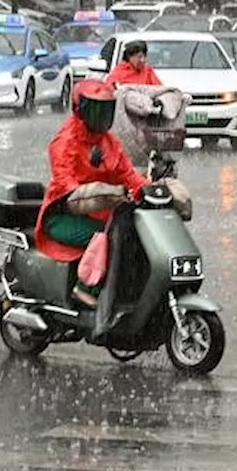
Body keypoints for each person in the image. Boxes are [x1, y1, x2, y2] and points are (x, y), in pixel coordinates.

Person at [36, 80, 148, 306]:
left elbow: (128, 175)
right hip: (63, 217)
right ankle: (85, 287)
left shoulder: (110, 143)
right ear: (80, 109)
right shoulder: (65, 142)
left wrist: (149, 188)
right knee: (108, 237)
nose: (101, 116)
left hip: (105, 214)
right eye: (95, 110)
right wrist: (94, 191)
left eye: (105, 110)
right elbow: (65, 183)